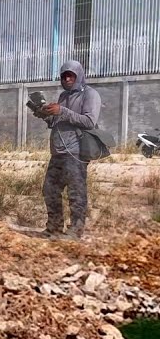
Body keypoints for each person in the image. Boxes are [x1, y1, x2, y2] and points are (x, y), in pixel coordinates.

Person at [39, 60, 100, 239]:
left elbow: (89, 121)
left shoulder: (90, 95)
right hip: (58, 152)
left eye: (71, 75)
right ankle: (54, 228)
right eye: (64, 76)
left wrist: (62, 111)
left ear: (79, 75)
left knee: (76, 192)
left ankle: (75, 230)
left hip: (76, 152)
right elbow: (59, 121)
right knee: (50, 189)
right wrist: (45, 116)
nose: (67, 79)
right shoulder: (63, 96)